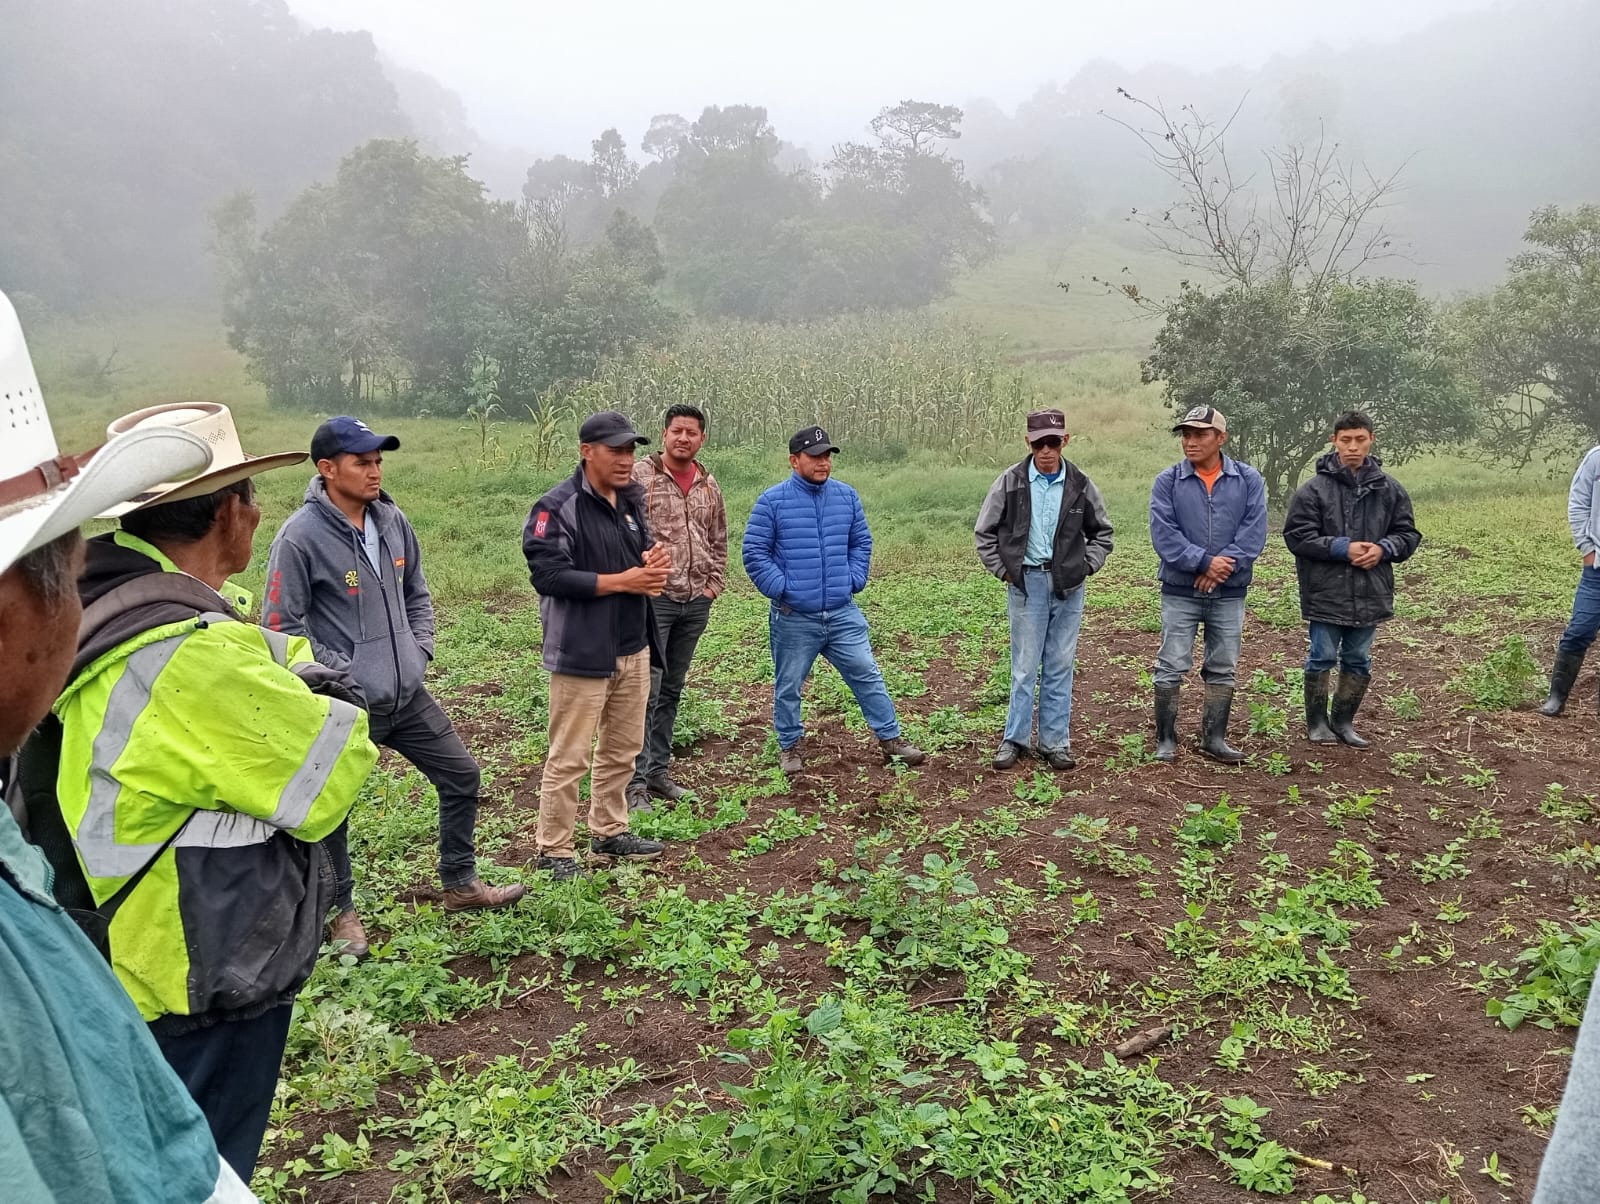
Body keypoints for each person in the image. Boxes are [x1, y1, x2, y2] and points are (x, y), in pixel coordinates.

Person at [49, 401, 378, 1181]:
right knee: (201, 1172)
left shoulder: (117, 604)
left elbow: (273, 647)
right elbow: (334, 762)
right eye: (251, 499)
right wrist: (309, 683)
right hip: (195, 967)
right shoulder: (188, 655)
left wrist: (285, 670)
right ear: (230, 513)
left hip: (120, 949)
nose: (258, 515)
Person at [0, 291, 259, 1202]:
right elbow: (327, 759)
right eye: (68, 566)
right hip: (198, 947)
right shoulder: (182, 639)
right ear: (16, 608)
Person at [266, 416, 524, 958]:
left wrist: (418, 648)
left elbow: (418, 594)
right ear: (327, 468)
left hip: (407, 696)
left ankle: (459, 882)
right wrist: (340, 675)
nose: (374, 470)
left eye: (378, 460)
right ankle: (341, 914)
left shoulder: (393, 521)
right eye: (362, 462)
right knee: (330, 811)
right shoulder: (300, 538)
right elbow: (281, 627)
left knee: (462, 775)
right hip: (344, 704)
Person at [523, 411, 670, 880]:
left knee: (623, 748)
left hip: (633, 644)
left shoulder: (629, 501)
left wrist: (651, 560)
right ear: (587, 451)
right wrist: (624, 580)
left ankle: (609, 829)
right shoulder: (556, 506)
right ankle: (554, 850)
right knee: (570, 756)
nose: (627, 459)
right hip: (582, 651)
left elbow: (638, 555)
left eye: (630, 450)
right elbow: (547, 575)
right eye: (616, 450)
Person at [743, 425, 926, 775]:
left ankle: (891, 741)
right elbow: (754, 553)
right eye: (815, 456)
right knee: (789, 684)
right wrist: (784, 588)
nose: (823, 462)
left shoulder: (846, 497)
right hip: (795, 616)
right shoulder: (772, 501)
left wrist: (854, 579)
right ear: (794, 460)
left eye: (827, 455)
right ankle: (790, 747)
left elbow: (861, 543)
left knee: (867, 674)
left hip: (842, 613)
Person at [975, 408, 1114, 771]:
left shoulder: (1081, 483)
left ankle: (1055, 742)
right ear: (1029, 442)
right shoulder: (1010, 481)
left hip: (1069, 585)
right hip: (1027, 583)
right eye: (1039, 443)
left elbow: (1102, 533)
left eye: (1053, 442)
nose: (1047, 450)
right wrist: (1005, 572)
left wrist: (1086, 567)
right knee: (1024, 666)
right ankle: (1015, 740)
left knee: (1060, 664)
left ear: (1065, 441)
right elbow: (985, 533)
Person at [1282, 410, 1422, 747]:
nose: (1353, 447)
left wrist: (1383, 549)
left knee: (1359, 658)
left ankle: (1343, 722)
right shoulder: (1313, 491)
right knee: (1322, 655)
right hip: (1326, 591)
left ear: (1371, 440)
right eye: (1346, 440)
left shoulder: (1390, 490)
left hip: (1370, 590)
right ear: (1334, 441)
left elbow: (1407, 534)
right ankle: (1317, 724)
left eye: (1360, 439)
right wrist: (1343, 548)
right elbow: (1297, 537)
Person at [1147, 405, 1268, 763]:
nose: (1190, 441)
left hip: (1229, 591)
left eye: (1199, 434)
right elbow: (1164, 535)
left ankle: (1214, 739)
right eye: (1186, 434)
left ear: (1221, 438)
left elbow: (1253, 533)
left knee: (1223, 664)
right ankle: (1165, 740)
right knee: (1171, 662)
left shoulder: (1248, 480)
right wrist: (1203, 562)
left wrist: (1220, 568)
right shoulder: (1167, 481)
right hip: (1180, 590)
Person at [625, 404, 728, 811]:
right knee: (643, 692)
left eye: (692, 432)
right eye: (677, 431)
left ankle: (657, 773)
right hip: (654, 601)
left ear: (702, 439)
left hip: (694, 601)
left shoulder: (707, 483)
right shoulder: (639, 478)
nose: (684, 438)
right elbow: (621, 531)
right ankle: (632, 785)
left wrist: (713, 584)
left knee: (671, 689)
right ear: (664, 434)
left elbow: (718, 536)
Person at [1538, 444, 1600, 717]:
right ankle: (1556, 698)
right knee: (1579, 630)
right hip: (1597, 569)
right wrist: (1587, 549)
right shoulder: (1596, 459)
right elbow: (1578, 503)